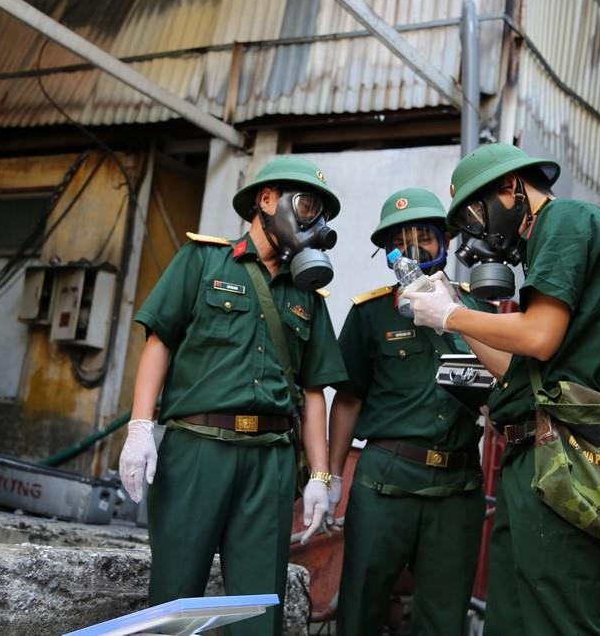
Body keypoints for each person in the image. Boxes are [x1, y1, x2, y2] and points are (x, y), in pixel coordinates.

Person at [407, 143, 600, 635]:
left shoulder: (565, 220)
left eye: (475, 211)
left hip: (563, 455)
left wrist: (452, 313)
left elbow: (538, 335)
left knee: (566, 617)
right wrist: (455, 314)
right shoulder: (548, 243)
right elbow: (517, 364)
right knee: (512, 620)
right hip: (534, 456)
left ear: (512, 189)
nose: (475, 230)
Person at [118, 156, 348, 635]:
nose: (314, 222)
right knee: (173, 603)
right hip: (198, 450)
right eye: (306, 206)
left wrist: (320, 476)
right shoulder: (203, 261)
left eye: (321, 213)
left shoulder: (307, 296)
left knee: (258, 609)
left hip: (269, 462)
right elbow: (158, 342)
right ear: (267, 200)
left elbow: (312, 393)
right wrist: (140, 427)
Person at [328, 188, 489, 634]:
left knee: (443, 619)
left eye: (425, 238)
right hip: (386, 483)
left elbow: (504, 388)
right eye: (401, 241)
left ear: (447, 241)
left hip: (457, 488)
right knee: (360, 609)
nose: (414, 250)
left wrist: (451, 314)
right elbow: (348, 397)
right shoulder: (371, 313)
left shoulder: (478, 308)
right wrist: (331, 476)